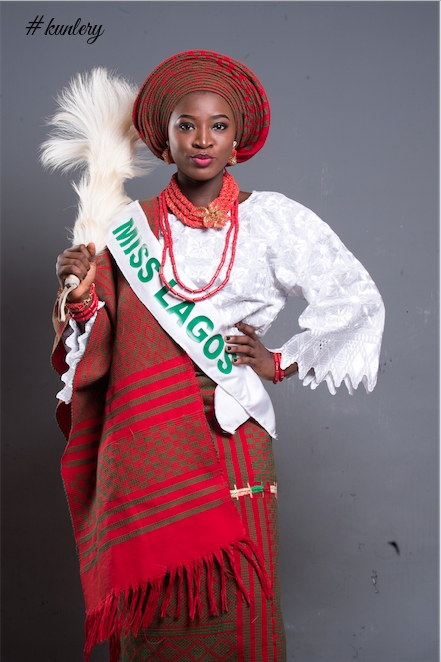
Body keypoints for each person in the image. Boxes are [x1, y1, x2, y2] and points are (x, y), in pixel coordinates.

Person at [52, 51, 385, 662]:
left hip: (232, 428)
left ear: (238, 141)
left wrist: (278, 361)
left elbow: (357, 300)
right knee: (158, 601)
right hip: (148, 441)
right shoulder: (131, 226)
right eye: (186, 125)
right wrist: (80, 294)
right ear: (165, 139)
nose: (202, 140)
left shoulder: (274, 220)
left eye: (218, 126)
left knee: (242, 600)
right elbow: (102, 333)